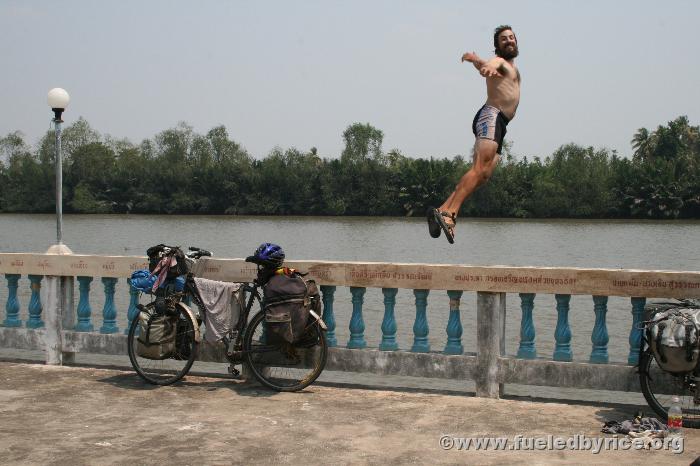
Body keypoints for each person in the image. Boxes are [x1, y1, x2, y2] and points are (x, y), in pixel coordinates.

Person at [428, 25, 521, 244]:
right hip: (492, 116)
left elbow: (485, 64)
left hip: (501, 123)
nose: (509, 41)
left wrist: (475, 59)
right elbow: (490, 65)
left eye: (512, 37)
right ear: (497, 46)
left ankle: (441, 209)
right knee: (479, 169)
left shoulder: (508, 66)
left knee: (484, 175)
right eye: (504, 39)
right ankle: (450, 214)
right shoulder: (499, 62)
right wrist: (484, 66)